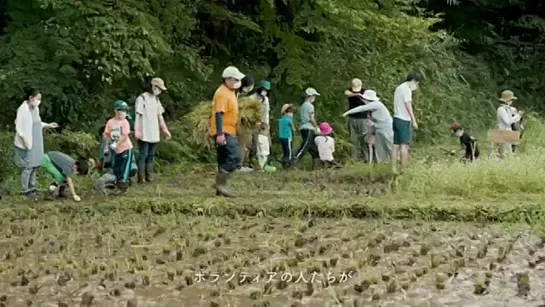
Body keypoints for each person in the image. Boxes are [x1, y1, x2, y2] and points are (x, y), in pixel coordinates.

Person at [14, 88, 59, 199]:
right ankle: (24, 191)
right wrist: (24, 140)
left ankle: (32, 189)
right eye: (38, 98)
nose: (39, 101)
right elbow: (19, 126)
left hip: (37, 141)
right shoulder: (23, 110)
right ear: (31, 97)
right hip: (28, 141)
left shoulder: (35, 109)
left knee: (35, 166)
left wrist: (48, 125)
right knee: (28, 167)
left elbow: (37, 123)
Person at [210, 66, 245, 197]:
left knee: (223, 158)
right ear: (228, 79)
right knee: (235, 157)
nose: (238, 82)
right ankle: (220, 183)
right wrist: (220, 134)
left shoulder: (231, 92)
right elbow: (219, 114)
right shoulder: (222, 93)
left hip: (230, 129)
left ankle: (220, 189)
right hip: (224, 131)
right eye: (236, 79)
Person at [134, 77, 171, 183]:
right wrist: (137, 130)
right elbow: (138, 116)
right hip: (144, 132)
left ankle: (149, 177)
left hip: (153, 132)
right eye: (158, 88)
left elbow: (160, 116)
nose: (159, 91)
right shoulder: (141, 98)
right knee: (143, 155)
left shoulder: (156, 99)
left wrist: (165, 129)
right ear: (153, 86)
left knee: (150, 156)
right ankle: (141, 179)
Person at [342, 90, 393, 163]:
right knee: (380, 146)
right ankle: (384, 163)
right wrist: (372, 132)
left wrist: (347, 113)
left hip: (385, 127)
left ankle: (396, 161)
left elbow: (361, 108)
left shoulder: (376, 104)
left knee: (388, 145)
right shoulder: (371, 109)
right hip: (377, 127)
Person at [392, 72, 421, 172]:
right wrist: (414, 120)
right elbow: (408, 105)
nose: (416, 86)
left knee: (396, 144)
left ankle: (393, 168)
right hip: (403, 119)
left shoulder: (399, 88)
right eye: (416, 84)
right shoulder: (407, 90)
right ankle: (404, 168)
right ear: (413, 81)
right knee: (404, 145)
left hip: (396, 118)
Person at [344, 78, 374, 162]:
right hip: (352, 118)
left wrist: (362, 95)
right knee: (353, 140)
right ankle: (354, 159)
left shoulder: (365, 92)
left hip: (363, 119)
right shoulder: (350, 91)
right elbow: (346, 93)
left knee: (364, 140)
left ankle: (366, 158)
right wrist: (357, 94)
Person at [293, 87, 321, 169]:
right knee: (305, 146)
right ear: (310, 96)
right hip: (308, 128)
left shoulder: (303, 106)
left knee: (313, 148)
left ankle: (317, 166)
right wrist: (316, 126)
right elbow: (311, 118)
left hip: (303, 128)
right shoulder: (310, 106)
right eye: (314, 96)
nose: (314, 98)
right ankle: (295, 160)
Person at [248, 80, 273, 165]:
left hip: (264, 125)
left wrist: (266, 125)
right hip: (254, 124)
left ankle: (265, 163)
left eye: (266, 90)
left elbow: (266, 113)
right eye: (263, 89)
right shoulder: (251, 99)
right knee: (254, 144)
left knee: (267, 144)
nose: (264, 92)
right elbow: (249, 114)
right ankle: (252, 163)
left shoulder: (266, 99)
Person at [495, 90, 523, 158]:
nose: (512, 102)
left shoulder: (509, 109)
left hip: (508, 132)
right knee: (505, 153)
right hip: (503, 132)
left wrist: (517, 115)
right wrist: (517, 116)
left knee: (509, 152)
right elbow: (507, 121)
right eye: (511, 100)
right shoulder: (501, 109)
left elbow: (513, 120)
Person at [278, 103, 296, 169]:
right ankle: (288, 163)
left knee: (284, 150)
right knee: (289, 151)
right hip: (287, 137)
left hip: (281, 137)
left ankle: (284, 162)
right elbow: (293, 129)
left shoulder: (280, 120)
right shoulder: (289, 120)